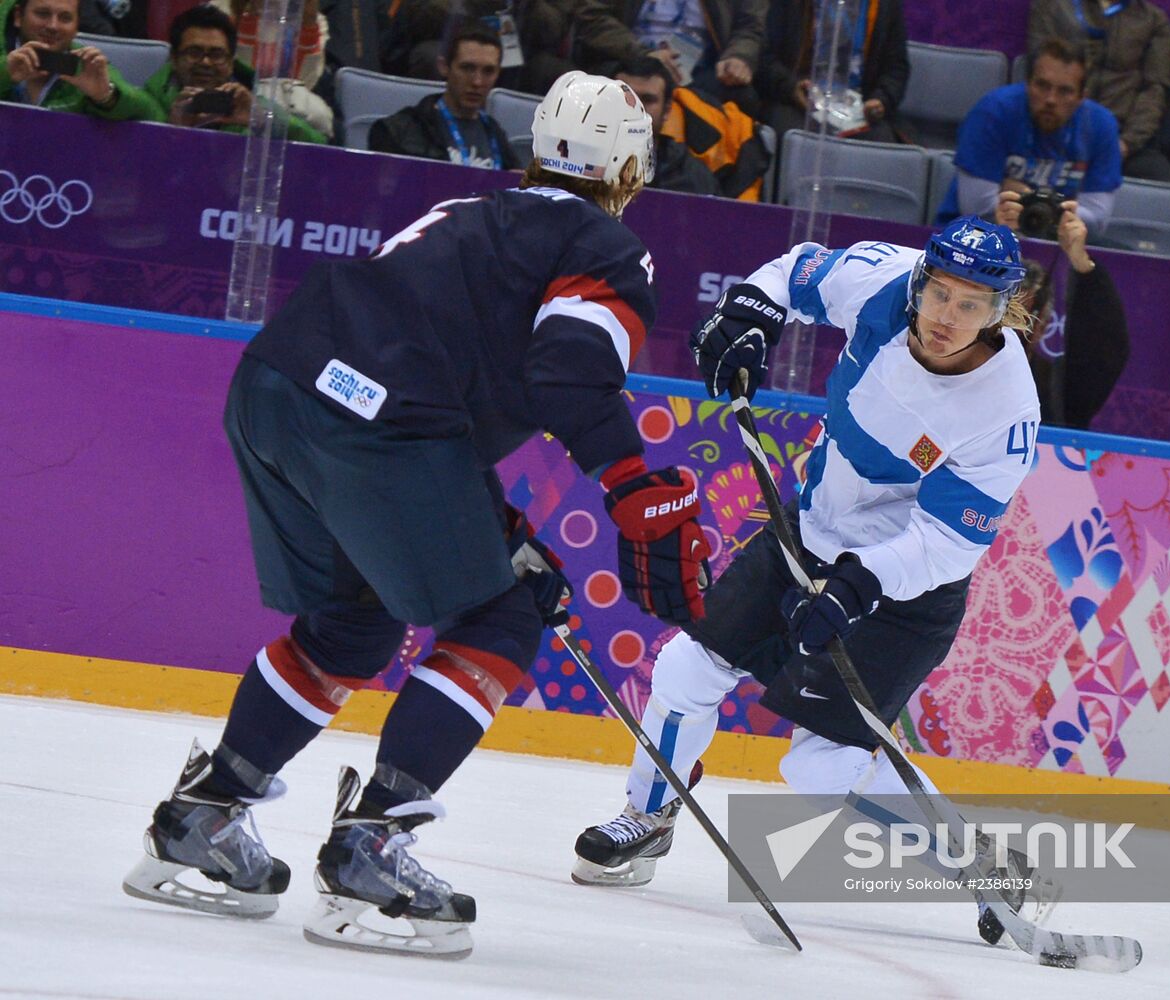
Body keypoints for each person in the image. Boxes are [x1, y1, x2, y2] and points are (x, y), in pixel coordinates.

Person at [123, 71, 711, 960]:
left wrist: (482, 511)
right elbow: (567, 368)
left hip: (279, 382)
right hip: (383, 425)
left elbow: (421, 355)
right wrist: (636, 485)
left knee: (354, 620)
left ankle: (202, 814)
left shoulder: (464, 210)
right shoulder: (605, 244)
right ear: (631, 172)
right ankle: (373, 845)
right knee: (503, 613)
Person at [572, 216, 1044, 945]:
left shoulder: (1006, 410)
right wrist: (747, 315)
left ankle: (982, 867)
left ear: (1002, 310)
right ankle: (650, 813)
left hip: (901, 589)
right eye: (941, 293)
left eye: (972, 304)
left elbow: (948, 544)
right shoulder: (885, 281)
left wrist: (860, 586)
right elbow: (796, 272)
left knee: (822, 766)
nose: (948, 316)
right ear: (921, 281)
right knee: (687, 666)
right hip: (811, 531)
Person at [934, 39, 1122, 237]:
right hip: (973, 237)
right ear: (1027, 84)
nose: (1050, 99)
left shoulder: (1101, 126)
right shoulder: (993, 112)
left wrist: (1027, 199)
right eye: (1042, 85)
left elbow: (1097, 220)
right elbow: (977, 208)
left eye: (1064, 91)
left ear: (1081, 96)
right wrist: (1063, 211)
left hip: (1060, 244)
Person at [1026, 0, 1170, 182]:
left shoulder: (1153, 20)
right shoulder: (1053, 6)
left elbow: (1155, 89)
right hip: (1058, 132)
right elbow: (1042, 74)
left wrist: (1127, 143)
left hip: (1123, 138)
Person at [1015, 206, 1130, 428]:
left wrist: (1082, 263)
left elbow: (1107, 348)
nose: (1007, 328)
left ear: (1042, 325)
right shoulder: (953, 364)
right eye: (1001, 314)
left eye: (1020, 318)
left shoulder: (1058, 388)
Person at [144, 4, 327, 143]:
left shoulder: (249, 103)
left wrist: (259, 120)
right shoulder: (152, 101)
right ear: (174, 60)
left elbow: (319, 145)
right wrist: (171, 130)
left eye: (216, 54)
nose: (206, 62)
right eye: (194, 52)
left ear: (232, 63)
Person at [756, 0, 909, 143]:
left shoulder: (885, 5)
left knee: (882, 142)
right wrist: (790, 87)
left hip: (860, 109)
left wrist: (881, 99)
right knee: (790, 137)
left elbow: (896, 67)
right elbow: (763, 56)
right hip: (795, 101)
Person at [369, 22, 518, 167]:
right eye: (467, 68)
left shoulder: (495, 134)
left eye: (488, 71)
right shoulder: (402, 131)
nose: (477, 82)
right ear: (444, 67)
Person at [573, 0, 765, 107]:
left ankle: (703, 177)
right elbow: (592, 16)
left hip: (701, 70)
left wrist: (739, 56)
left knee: (743, 97)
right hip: (627, 57)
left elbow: (749, 26)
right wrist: (642, 54)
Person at [2, 0, 160, 120]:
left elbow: (154, 115)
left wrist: (106, 97)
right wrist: (3, 74)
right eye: (42, 14)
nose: (53, 26)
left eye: (65, 18)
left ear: (77, 25)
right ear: (18, 16)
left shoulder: (86, 64)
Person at [616, 54, 719, 194]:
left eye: (648, 100)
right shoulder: (579, 162)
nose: (635, 108)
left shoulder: (692, 178)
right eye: (625, 97)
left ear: (667, 110)